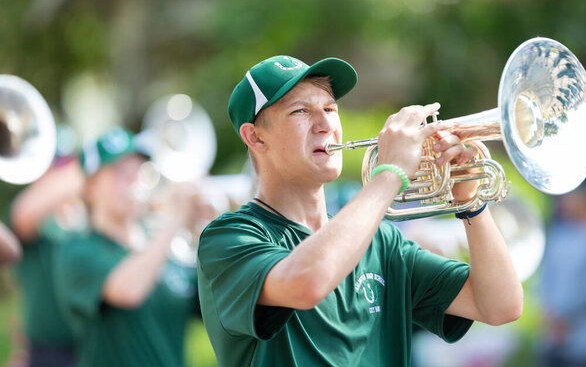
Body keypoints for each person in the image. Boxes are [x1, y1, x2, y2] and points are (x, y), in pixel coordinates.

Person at [197, 55, 523, 366]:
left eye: (330, 108)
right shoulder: (228, 238)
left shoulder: (382, 242)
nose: (325, 123)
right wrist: (391, 172)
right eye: (301, 111)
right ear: (255, 137)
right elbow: (308, 282)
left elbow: (500, 305)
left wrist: (470, 202)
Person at [54, 126, 206, 367]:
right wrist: (176, 220)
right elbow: (128, 291)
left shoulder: (172, 249)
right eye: (120, 172)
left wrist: (214, 233)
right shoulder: (76, 251)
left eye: (137, 170)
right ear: (91, 188)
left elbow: (217, 309)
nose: (134, 181)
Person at [10, 148, 85, 367]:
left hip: (93, 346)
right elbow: (23, 215)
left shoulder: (84, 216)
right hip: (50, 352)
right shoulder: (34, 220)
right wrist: (87, 168)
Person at [539, 171, 586, 367]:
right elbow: (546, 277)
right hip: (554, 339)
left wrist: (564, 315)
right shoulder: (561, 233)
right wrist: (548, 312)